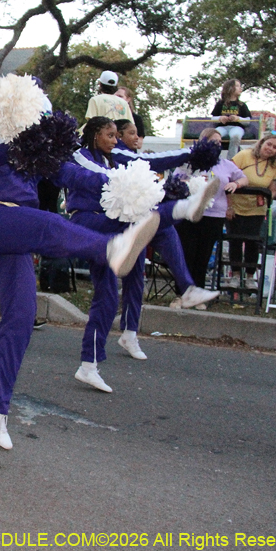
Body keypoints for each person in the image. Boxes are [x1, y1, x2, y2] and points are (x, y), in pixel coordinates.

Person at [0, 115, 160, 449]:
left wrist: (122, 184)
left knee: (22, 316)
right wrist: (18, 137)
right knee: (50, 225)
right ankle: (111, 250)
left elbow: (73, 174)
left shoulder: (41, 152)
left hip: (18, 236)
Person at [68, 117, 218, 388]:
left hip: (114, 226)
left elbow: (151, 162)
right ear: (94, 135)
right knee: (154, 223)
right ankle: (185, 274)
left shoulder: (114, 155)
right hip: (89, 224)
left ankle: (89, 365)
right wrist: (142, 188)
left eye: (117, 136)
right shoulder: (80, 156)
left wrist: (193, 153)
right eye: (110, 135)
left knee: (108, 296)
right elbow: (97, 178)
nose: (116, 141)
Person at [174, 128, 248, 298]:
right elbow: (177, 179)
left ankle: (198, 293)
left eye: (220, 142)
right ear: (202, 141)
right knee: (187, 254)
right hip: (190, 213)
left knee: (204, 255)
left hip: (214, 216)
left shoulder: (226, 164)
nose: (218, 144)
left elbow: (243, 177)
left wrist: (236, 184)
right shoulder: (189, 161)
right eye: (214, 141)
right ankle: (182, 293)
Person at [227, 134, 276, 289]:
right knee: (235, 241)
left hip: (257, 209)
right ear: (262, 143)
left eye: (275, 147)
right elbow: (227, 178)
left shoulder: (274, 165)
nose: (270, 149)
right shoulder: (244, 155)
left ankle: (250, 277)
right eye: (269, 144)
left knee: (253, 242)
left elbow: (273, 189)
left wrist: (268, 196)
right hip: (236, 207)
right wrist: (228, 206)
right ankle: (236, 275)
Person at [211, 78, 252, 159]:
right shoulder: (220, 104)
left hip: (236, 127)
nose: (240, 88)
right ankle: (214, 158)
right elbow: (213, 118)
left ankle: (231, 159)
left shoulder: (242, 105)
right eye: (237, 86)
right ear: (230, 88)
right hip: (222, 127)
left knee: (235, 136)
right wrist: (220, 118)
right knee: (214, 136)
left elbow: (248, 121)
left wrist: (238, 119)